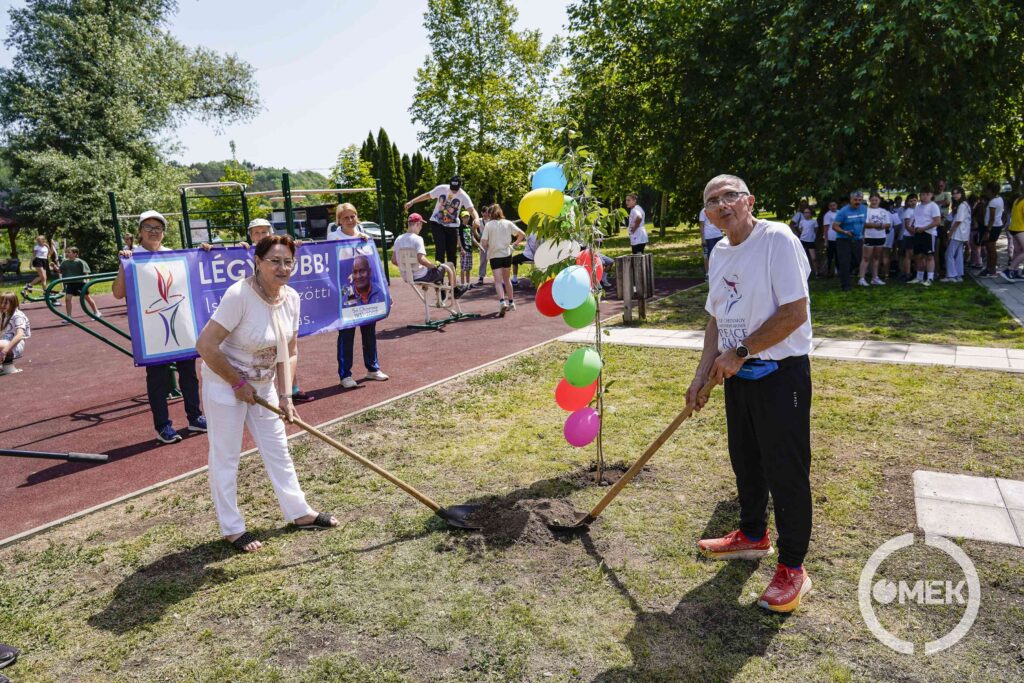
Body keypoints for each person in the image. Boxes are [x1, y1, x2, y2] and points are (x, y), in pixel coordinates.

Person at [687, 174, 813, 614]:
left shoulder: (777, 239)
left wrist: (740, 352)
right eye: (712, 200)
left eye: (730, 195)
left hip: (780, 374)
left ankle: (793, 569)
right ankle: (753, 535)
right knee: (746, 461)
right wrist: (701, 375)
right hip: (738, 377)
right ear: (707, 215)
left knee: (786, 472)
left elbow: (795, 312)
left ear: (749, 201)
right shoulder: (719, 252)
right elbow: (716, 320)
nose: (722, 204)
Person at [195, 234, 338, 553]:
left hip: (263, 385)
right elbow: (205, 345)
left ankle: (299, 512)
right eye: (275, 261)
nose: (282, 267)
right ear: (258, 262)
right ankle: (232, 528)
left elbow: (290, 351)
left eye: (288, 262)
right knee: (226, 456)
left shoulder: (292, 298)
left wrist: (286, 396)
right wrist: (237, 383)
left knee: (278, 449)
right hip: (224, 384)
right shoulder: (239, 295)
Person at [112, 210, 206, 444]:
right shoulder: (132, 257)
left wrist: (205, 253)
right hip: (152, 331)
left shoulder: (174, 255)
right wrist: (123, 264)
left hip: (180, 326)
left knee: (189, 375)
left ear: (164, 232)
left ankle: (195, 417)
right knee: (158, 380)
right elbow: (118, 293)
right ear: (140, 232)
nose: (153, 232)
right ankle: (163, 426)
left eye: (158, 228)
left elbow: (196, 277)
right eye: (148, 227)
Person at [329, 204, 389, 389]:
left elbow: (374, 265)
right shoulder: (333, 238)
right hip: (345, 293)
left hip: (366, 293)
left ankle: (373, 368)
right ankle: (345, 375)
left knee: (369, 331)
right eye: (345, 217)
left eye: (353, 216)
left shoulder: (364, 237)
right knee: (347, 334)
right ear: (339, 220)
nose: (350, 220)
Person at [404, 175, 480, 267]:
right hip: (437, 223)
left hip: (452, 226)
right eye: (452, 188)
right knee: (440, 249)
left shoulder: (463, 195)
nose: (453, 191)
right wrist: (412, 202)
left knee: (452, 252)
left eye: (456, 189)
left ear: (460, 186)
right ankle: (439, 275)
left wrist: (476, 218)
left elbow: (471, 209)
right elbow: (427, 195)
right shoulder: (442, 189)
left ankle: (452, 275)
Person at [480, 204, 525, 316]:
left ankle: (502, 302)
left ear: (490, 214)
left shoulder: (488, 225)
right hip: (507, 255)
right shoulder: (508, 223)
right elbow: (522, 234)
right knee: (507, 279)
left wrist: (488, 245)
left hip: (495, 255)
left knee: (498, 281)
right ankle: (511, 302)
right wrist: (514, 245)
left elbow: (484, 242)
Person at [831, 191, 867, 291]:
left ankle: (844, 272)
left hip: (858, 239)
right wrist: (845, 232)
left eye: (859, 200)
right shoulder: (843, 211)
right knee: (845, 262)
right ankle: (845, 285)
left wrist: (863, 234)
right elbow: (834, 226)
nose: (857, 202)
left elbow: (864, 223)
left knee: (858, 260)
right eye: (855, 200)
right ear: (851, 200)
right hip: (843, 240)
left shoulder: (864, 209)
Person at [58, 246, 102, 323]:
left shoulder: (80, 262)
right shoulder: (65, 262)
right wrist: (54, 267)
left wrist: (87, 283)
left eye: (69, 252)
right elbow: (60, 271)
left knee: (87, 298)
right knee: (67, 299)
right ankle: (69, 317)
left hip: (80, 283)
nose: (67, 254)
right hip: (70, 283)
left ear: (75, 254)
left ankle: (96, 312)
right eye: (67, 252)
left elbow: (86, 273)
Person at [907, 186, 941, 286]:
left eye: (927, 194)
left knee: (929, 256)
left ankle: (930, 278)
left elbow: (937, 221)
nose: (924, 196)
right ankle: (919, 277)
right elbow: (914, 220)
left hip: (929, 233)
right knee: (919, 256)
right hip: (918, 233)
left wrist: (924, 228)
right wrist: (913, 228)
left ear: (931, 195)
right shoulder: (918, 207)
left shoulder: (933, 206)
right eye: (922, 194)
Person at [858, 192, 891, 286]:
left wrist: (882, 226)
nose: (874, 202)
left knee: (876, 257)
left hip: (880, 236)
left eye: (876, 200)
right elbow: (865, 224)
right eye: (872, 200)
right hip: (869, 236)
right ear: (869, 200)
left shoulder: (884, 211)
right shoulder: (866, 211)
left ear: (879, 200)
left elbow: (888, 224)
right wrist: (878, 225)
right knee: (866, 257)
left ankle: (875, 277)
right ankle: (861, 278)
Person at [942, 187, 971, 283]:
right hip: (962, 234)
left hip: (958, 233)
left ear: (961, 194)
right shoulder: (964, 204)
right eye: (953, 193)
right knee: (958, 255)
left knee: (948, 254)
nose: (954, 195)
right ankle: (958, 275)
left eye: (957, 193)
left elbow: (958, 221)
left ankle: (951, 275)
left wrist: (950, 233)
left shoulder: (962, 205)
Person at [978, 181, 1005, 277]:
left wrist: (987, 231)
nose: (986, 192)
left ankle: (992, 270)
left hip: (992, 227)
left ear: (991, 190)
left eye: (987, 190)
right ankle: (989, 268)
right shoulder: (1000, 199)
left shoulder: (993, 202)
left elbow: (992, 218)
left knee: (991, 249)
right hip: (996, 226)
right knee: (990, 249)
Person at [0, 292, 30, 375]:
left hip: (15, 346)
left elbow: (19, 335)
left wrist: (4, 351)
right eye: (1, 302)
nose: (2, 305)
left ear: (13, 303)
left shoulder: (18, 316)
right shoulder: (5, 314)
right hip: (5, 342)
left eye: (5, 303)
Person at [1000, 194, 1024, 281]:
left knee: (1018, 251)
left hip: (1013, 228)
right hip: (1020, 229)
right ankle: (1009, 270)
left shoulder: (1018, 200)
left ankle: (1015, 272)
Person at [699, 207, 724, 279]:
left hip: (719, 235)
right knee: (709, 255)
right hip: (709, 236)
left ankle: (720, 272)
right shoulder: (703, 211)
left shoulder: (717, 209)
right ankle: (708, 274)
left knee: (721, 254)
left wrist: (723, 231)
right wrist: (703, 239)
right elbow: (701, 225)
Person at [899, 194, 918, 281]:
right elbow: (907, 226)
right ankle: (907, 273)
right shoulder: (908, 211)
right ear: (907, 202)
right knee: (908, 255)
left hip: (917, 234)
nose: (913, 202)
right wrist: (914, 233)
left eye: (914, 200)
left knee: (916, 255)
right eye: (911, 201)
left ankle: (916, 273)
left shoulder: (919, 210)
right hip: (909, 236)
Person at [795, 206, 819, 276]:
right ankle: (802, 272)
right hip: (803, 241)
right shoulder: (802, 222)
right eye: (805, 213)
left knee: (813, 258)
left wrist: (812, 236)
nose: (806, 214)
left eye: (808, 212)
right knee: (801, 257)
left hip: (811, 241)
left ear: (811, 214)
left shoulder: (814, 221)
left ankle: (816, 272)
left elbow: (816, 230)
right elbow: (800, 229)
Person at [821, 200, 839, 277]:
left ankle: (837, 271)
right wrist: (826, 240)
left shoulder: (840, 213)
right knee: (830, 256)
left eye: (834, 205)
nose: (833, 207)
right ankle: (828, 271)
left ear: (836, 205)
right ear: (829, 207)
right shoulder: (827, 215)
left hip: (839, 237)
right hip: (831, 238)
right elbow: (825, 228)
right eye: (831, 205)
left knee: (838, 255)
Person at [458, 210, 475, 286]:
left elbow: (472, 238)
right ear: (461, 218)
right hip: (464, 250)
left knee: (468, 268)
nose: (466, 218)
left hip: (469, 250)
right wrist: (461, 248)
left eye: (467, 217)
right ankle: (462, 284)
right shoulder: (460, 227)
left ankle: (468, 284)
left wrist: (480, 246)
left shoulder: (469, 227)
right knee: (463, 267)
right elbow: (458, 238)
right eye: (464, 217)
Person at [473, 205, 490, 286]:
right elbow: (474, 229)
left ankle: (498, 277)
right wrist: (478, 236)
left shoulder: (492, 221)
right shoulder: (479, 221)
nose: (486, 214)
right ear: (482, 213)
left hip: (492, 243)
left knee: (495, 260)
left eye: (487, 212)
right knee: (483, 260)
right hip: (483, 243)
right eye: (485, 212)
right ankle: (481, 277)